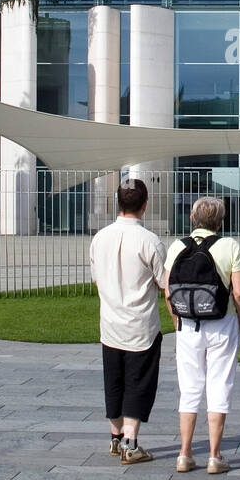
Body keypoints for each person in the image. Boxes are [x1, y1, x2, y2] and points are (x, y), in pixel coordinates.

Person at [163, 196, 240, 474]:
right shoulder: (229, 245)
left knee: (189, 389)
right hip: (222, 323)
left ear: (191, 218)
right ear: (220, 221)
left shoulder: (177, 246)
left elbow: (167, 290)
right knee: (219, 384)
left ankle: (184, 453)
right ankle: (214, 455)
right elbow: (239, 292)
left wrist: (176, 319)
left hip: (187, 325)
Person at [88, 178, 167, 465]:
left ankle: (115, 437)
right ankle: (131, 443)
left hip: (110, 322)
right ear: (145, 205)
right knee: (137, 382)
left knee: (114, 381)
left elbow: (97, 281)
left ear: (117, 202)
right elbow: (164, 283)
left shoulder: (99, 238)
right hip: (140, 325)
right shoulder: (150, 241)